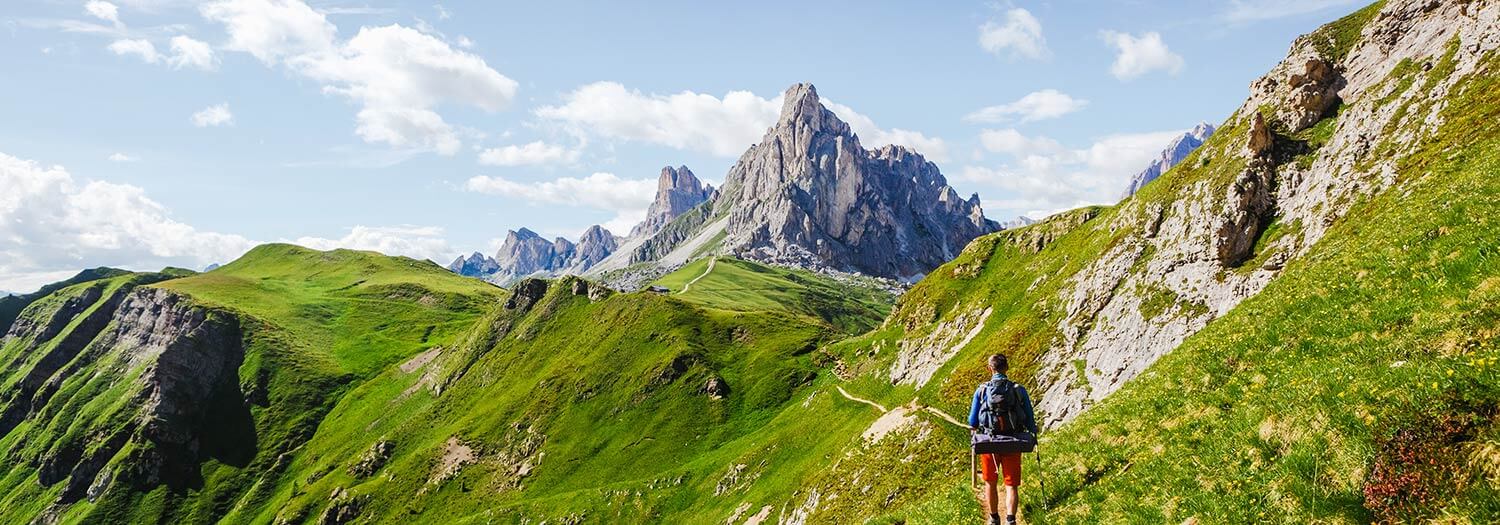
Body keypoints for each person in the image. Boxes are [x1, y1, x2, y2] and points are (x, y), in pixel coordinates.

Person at [968, 354, 1038, 525]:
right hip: (1012, 442)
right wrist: (1034, 433)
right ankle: (1011, 520)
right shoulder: (1018, 390)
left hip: (989, 444)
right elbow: (1029, 418)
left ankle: (993, 519)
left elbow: (972, 421)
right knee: (1011, 485)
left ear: (989, 369)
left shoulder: (982, 390)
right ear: (1007, 368)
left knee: (990, 483)